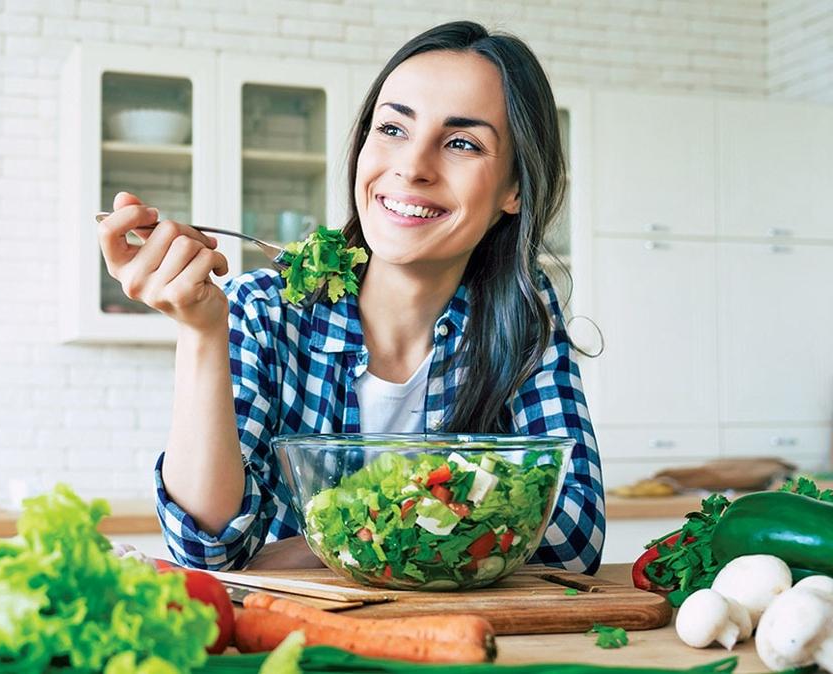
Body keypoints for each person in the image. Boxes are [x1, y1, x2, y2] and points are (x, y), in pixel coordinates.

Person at [97, 21, 604, 574]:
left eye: (461, 143)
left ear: (515, 189)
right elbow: (210, 548)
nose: (412, 167)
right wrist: (199, 331)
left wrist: (321, 544)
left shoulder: (523, 314)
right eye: (392, 129)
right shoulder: (264, 310)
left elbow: (573, 537)